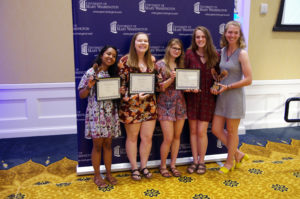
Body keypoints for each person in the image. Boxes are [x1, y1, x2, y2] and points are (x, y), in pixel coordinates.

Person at [211, 21, 252, 173]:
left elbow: (248, 79)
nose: (232, 35)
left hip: (234, 97)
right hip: (222, 97)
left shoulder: (242, 53)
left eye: (235, 32)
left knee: (232, 131)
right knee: (216, 129)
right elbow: (222, 74)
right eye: (230, 32)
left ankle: (229, 162)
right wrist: (216, 85)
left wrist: (228, 87)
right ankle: (238, 153)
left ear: (239, 35)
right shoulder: (222, 51)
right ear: (225, 34)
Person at [78, 46, 121, 187]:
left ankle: (108, 173)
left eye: (114, 56)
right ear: (102, 55)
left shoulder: (114, 73)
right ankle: (97, 176)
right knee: (97, 146)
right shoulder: (91, 72)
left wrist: (119, 91)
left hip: (110, 113)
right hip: (96, 113)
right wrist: (89, 86)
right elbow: (82, 95)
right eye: (108, 54)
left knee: (108, 144)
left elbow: (117, 95)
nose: (110, 57)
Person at [118, 32, 157, 181]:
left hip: (149, 105)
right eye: (140, 41)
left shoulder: (152, 61)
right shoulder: (124, 61)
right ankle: (134, 167)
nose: (143, 43)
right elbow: (120, 88)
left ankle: (144, 166)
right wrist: (135, 96)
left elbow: (156, 83)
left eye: (145, 41)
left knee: (147, 138)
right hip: (131, 106)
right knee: (132, 138)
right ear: (134, 43)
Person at [185, 26, 220, 174]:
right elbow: (184, 76)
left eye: (203, 37)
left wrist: (216, 87)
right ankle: (194, 160)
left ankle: (202, 161)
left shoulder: (215, 55)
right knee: (193, 131)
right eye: (197, 37)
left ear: (207, 38)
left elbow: (219, 78)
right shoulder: (189, 54)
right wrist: (187, 87)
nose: (200, 39)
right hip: (193, 97)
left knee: (201, 131)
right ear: (194, 39)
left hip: (207, 98)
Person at [155, 38, 187, 177]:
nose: (176, 51)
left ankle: (173, 165)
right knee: (168, 138)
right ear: (168, 48)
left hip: (180, 104)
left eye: (179, 49)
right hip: (164, 105)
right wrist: (171, 79)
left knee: (177, 136)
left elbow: (186, 85)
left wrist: (191, 88)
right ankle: (163, 166)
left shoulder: (183, 65)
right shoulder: (160, 65)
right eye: (174, 47)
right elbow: (159, 87)